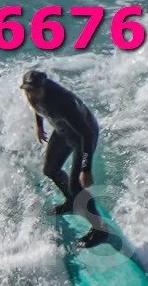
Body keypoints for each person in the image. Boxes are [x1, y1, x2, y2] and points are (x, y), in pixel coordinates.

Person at [20, 69, 107, 246]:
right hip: (63, 130)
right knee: (50, 170)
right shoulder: (31, 93)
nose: (33, 95)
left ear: (44, 88)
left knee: (76, 185)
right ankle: (72, 202)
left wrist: (86, 168)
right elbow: (35, 106)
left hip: (83, 134)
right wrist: (39, 126)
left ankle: (100, 230)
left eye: (36, 91)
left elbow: (87, 135)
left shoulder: (63, 102)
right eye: (29, 91)